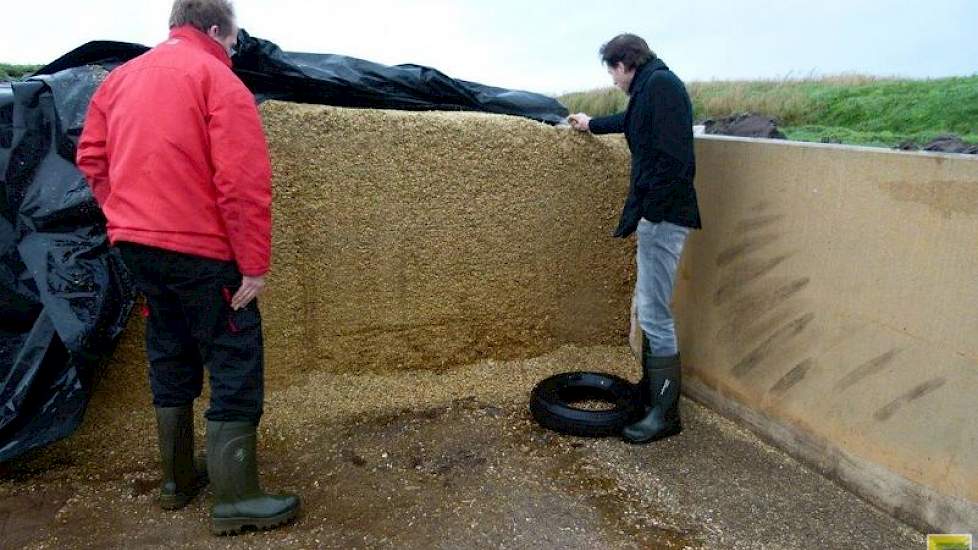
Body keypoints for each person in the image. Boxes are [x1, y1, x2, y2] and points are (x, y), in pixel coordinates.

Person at [76, 0, 299, 535]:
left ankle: (177, 479)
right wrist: (253, 265)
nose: (234, 50)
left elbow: (91, 157)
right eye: (234, 40)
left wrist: (126, 215)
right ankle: (237, 497)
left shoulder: (120, 79)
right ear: (217, 29)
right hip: (201, 249)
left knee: (169, 344)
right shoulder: (218, 81)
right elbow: (241, 182)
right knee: (233, 349)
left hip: (137, 246)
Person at [568, 34, 701, 445]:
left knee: (654, 311)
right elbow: (632, 122)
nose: (611, 79)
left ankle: (665, 414)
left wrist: (652, 211)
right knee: (649, 308)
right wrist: (592, 125)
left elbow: (676, 158)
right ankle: (650, 391)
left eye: (611, 69)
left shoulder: (660, 86)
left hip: (663, 215)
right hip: (658, 213)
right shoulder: (651, 87)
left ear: (626, 63)